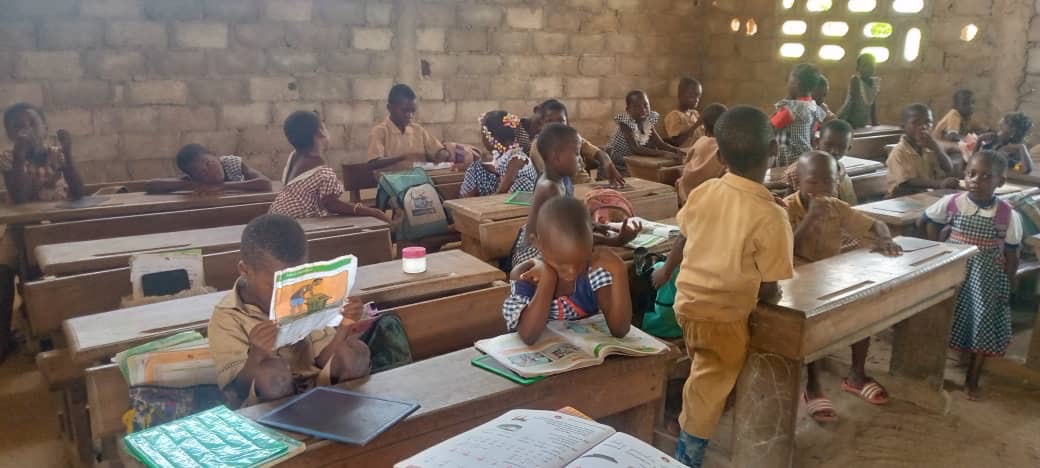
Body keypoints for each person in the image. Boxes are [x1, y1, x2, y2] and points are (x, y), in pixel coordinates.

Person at [670, 106, 794, 467]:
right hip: (723, 316)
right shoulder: (771, 214)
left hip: (688, 304)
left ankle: (691, 423)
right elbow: (770, 287)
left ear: (720, 156)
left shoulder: (705, 191)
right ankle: (687, 455)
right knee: (710, 385)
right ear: (772, 152)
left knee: (705, 372)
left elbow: (687, 233)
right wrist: (765, 296)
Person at [785, 151, 902, 422]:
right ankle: (812, 384)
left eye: (830, 182)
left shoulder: (837, 207)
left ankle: (856, 374)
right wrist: (810, 218)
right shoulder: (787, 208)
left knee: (862, 306)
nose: (823, 189)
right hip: (797, 279)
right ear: (799, 182)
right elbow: (785, 246)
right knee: (811, 325)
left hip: (829, 273)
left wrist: (884, 239)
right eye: (814, 182)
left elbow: (877, 224)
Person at [207, 215, 372, 407]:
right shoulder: (227, 317)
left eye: (296, 282)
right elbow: (237, 389)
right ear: (245, 270)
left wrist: (345, 324)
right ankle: (290, 432)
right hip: (265, 406)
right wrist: (257, 354)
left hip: (318, 389)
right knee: (272, 375)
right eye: (276, 286)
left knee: (356, 351)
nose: (288, 295)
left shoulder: (305, 296)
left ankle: (341, 418)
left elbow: (324, 359)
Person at [923, 151, 1021, 401]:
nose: (976, 180)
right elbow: (929, 219)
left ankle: (972, 378)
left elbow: (1012, 251)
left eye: (986, 176)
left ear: (1000, 181)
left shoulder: (1007, 214)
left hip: (986, 276)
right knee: (947, 316)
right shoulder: (954, 202)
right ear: (964, 176)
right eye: (971, 174)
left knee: (982, 320)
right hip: (954, 268)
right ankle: (933, 373)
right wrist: (937, 250)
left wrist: (1009, 280)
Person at [0, 103, 87, 362]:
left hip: (57, 227)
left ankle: (59, 326)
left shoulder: (55, 154)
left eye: (32, 124)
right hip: (22, 229)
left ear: (44, 127)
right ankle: (3, 340)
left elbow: (80, 191)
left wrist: (69, 154)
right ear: (10, 134)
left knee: (64, 271)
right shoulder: (8, 157)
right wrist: (19, 157)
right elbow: (20, 196)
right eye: (18, 127)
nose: (26, 130)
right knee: (3, 271)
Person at [501, 196, 632, 345]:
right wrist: (548, 278)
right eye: (561, 265)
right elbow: (528, 335)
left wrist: (619, 270)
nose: (571, 273)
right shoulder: (526, 275)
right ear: (538, 244)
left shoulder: (594, 273)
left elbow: (620, 330)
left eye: (581, 263)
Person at [510, 124, 641, 267]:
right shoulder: (549, 187)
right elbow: (568, 237)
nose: (581, 160)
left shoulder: (563, 179)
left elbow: (568, 223)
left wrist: (597, 226)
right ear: (556, 157)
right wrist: (616, 241)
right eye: (577, 153)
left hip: (554, 243)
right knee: (600, 266)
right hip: (534, 255)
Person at [270, 110, 388, 221]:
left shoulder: (294, 156)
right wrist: (371, 212)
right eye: (324, 126)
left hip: (276, 215)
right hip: (294, 224)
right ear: (320, 132)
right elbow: (331, 204)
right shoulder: (322, 172)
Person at [527, 99, 625, 187]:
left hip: (587, 186)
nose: (556, 125)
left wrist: (608, 164)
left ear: (567, 122)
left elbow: (598, 153)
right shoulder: (539, 146)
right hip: (567, 192)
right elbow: (554, 177)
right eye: (549, 121)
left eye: (561, 121)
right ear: (542, 124)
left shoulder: (572, 138)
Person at [367, 83, 450, 173]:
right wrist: (402, 157)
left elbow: (440, 151)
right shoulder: (380, 131)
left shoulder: (418, 130)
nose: (410, 115)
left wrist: (442, 154)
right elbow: (373, 163)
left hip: (418, 180)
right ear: (389, 108)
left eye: (412, 111)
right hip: (390, 183)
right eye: (404, 110)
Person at [885, 103, 958, 198]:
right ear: (903, 127)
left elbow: (948, 169)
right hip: (900, 199)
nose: (923, 127)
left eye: (928, 122)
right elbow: (908, 182)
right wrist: (939, 184)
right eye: (915, 123)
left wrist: (936, 148)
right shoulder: (899, 152)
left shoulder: (930, 148)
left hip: (924, 196)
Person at [459, 111, 538, 197]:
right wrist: (480, 165)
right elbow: (498, 168)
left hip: (523, 197)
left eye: (483, 135)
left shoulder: (516, 158)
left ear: (492, 139)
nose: (482, 139)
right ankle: (464, 201)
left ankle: (479, 206)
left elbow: (504, 188)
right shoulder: (502, 153)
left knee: (520, 184)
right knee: (476, 167)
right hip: (506, 191)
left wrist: (487, 201)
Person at [145, 144, 273, 194]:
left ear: (215, 156)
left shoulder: (232, 163)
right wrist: (193, 184)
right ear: (193, 176)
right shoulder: (195, 181)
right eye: (202, 173)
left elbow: (266, 184)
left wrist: (223, 186)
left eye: (209, 163)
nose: (210, 172)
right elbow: (151, 186)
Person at [605, 90, 683, 172]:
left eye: (645, 105)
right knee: (650, 169)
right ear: (628, 110)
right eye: (636, 107)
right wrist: (664, 153)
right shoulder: (626, 123)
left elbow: (660, 143)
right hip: (616, 162)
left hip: (634, 159)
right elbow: (635, 148)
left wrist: (677, 150)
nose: (642, 109)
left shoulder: (648, 121)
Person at [784, 119, 859, 204]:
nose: (834, 151)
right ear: (817, 142)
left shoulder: (840, 168)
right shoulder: (802, 168)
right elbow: (788, 203)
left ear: (848, 149)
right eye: (828, 145)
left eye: (841, 146)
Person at [771, 63, 828, 167]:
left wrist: (787, 98)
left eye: (789, 80)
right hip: (805, 158)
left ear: (795, 82)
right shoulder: (813, 106)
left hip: (788, 160)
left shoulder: (792, 109)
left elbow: (770, 127)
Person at [676, 103, 728, 202]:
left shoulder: (700, 141)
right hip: (707, 191)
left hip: (687, 188)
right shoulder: (724, 147)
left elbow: (687, 161)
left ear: (704, 126)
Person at [837, 53, 881, 129]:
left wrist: (874, 121)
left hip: (862, 120)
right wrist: (850, 122)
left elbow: (872, 103)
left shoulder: (874, 83)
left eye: (872, 65)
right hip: (849, 118)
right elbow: (853, 102)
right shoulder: (855, 80)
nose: (869, 68)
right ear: (858, 68)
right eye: (865, 65)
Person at [662, 77, 705, 150]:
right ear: (680, 95)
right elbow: (676, 142)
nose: (696, 99)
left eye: (698, 96)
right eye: (692, 95)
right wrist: (696, 125)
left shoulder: (695, 114)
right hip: (683, 156)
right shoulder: (674, 115)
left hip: (698, 153)